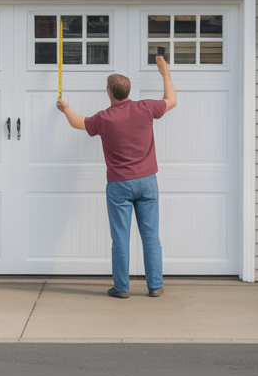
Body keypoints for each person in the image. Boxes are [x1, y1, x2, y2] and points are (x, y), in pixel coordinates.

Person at [56, 52, 176, 298]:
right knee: (151, 235)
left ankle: (122, 288)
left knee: (120, 237)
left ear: (110, 92)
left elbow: (78, 123)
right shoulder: (145, 108)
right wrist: (165, 72)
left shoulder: (104, 118)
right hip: (147, 182)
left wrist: (66, 108)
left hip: (119, 185)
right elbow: (171, 100)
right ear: (128, 92)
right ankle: (155, 286)